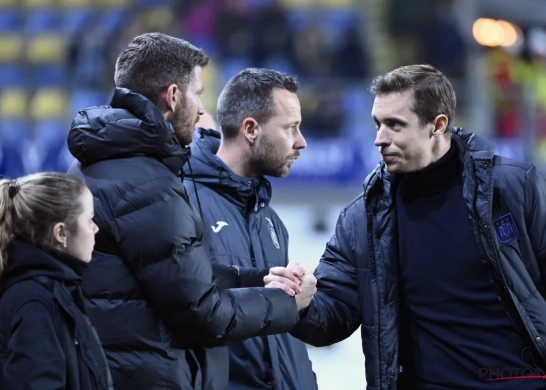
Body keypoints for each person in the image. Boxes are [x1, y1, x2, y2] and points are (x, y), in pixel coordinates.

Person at [291, 64, 546, 390]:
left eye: (395, 125)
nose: (380, 139)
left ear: (437, 126)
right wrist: (302, 306)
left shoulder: (515, 189)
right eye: (377, 124)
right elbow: (333, 315)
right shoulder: (365, 216)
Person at [67, 32, 314, 390]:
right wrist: (286, 303)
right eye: (197, 93)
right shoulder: (148, 185)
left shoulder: (97, 165)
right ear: (173, 96)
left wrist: (259, 278)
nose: (201, 110)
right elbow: (204, 313)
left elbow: (168, 275)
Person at [184, 68, 317, 390]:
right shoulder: (184, 202)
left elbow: (281, 333)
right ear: (251, 129)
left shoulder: (271, 221)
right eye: (290, 127)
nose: (301, 141)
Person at [0, 172, 112, 390]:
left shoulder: (53, 289)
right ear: (61, 233)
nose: (95, 228)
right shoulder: (36, 302)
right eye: (89, 220)